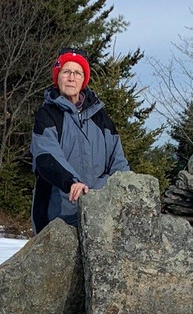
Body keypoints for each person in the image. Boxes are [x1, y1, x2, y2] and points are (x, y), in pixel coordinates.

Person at [30, 48, 130, 234]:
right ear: (57, 77)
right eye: (66, 72)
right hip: (57, 220)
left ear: (83, 79)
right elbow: (46, 157)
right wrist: (71, 182)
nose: (71, 77)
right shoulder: (47, 116)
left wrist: (124, 191)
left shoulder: (102, 120)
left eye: (77, 73)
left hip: (100, 217)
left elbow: (119, 164)